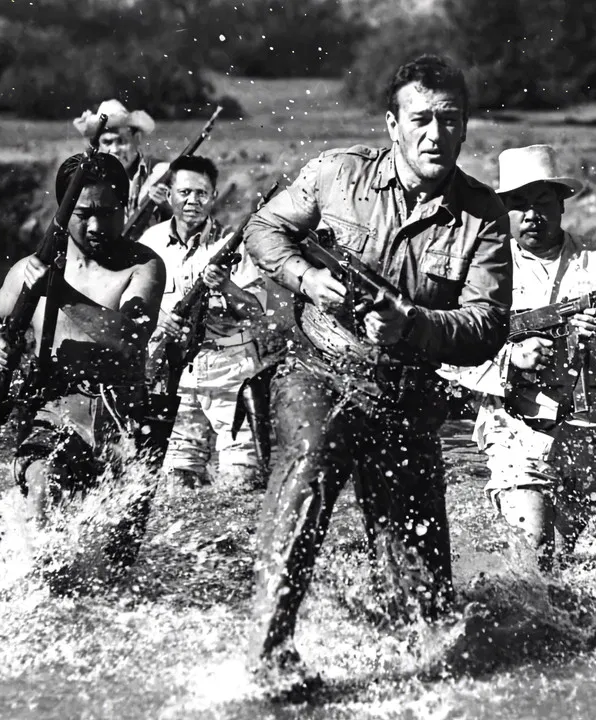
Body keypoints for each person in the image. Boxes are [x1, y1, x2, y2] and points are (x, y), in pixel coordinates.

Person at [242, 55, 512, 683]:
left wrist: (410, 325)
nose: (436, 134)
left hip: (406, 393)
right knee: (307, 472)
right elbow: (265, 227)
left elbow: (487, 326)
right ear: (393, 125)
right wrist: (306, 277)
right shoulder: (337, 173)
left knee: (425, 598)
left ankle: (412, 676)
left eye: (450, 119)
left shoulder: (484, 214)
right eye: (421, 119)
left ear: (465, 126)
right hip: (321, 367)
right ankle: (267, 656)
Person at [453, 145, 596, 571]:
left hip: (591, 430)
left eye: (542, 202)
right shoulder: (482, 273)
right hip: (514, 428)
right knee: (533, 547)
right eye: (519, 204)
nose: (532, 215)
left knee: (566, 559)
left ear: (562, 204)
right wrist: (511, 359)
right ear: (503, 210)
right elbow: (450, 349)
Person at [0, 152, 166, 580]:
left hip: (122, 418)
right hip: (54, 411)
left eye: (109, 213)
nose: (97, 226)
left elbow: (131, 338)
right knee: (42, 490)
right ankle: (38, 593)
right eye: (84, 215)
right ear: (64, 213)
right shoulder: (32, 268)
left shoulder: (143, 266)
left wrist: (59, 293)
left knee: (116, 566)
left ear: (125, 207)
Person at [137, 155, 269, 491]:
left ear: (213, 196)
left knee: (241, 482)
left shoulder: (232, 243)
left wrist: (226, 285)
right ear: (169, 195)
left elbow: (257, 312)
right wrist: (159, 322)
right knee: (177, 484)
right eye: (184, 192)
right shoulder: (150, 243)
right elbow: (132, 305)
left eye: (201, 193)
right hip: (175, 370)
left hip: (231, 368)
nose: (192, 201)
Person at [74, 99, 172, 234]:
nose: (115, 150)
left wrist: (166, 208)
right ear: (98, 146)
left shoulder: (162, 173)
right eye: (107, 142)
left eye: (122, 141)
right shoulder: (91, 182)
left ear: (137, 139)